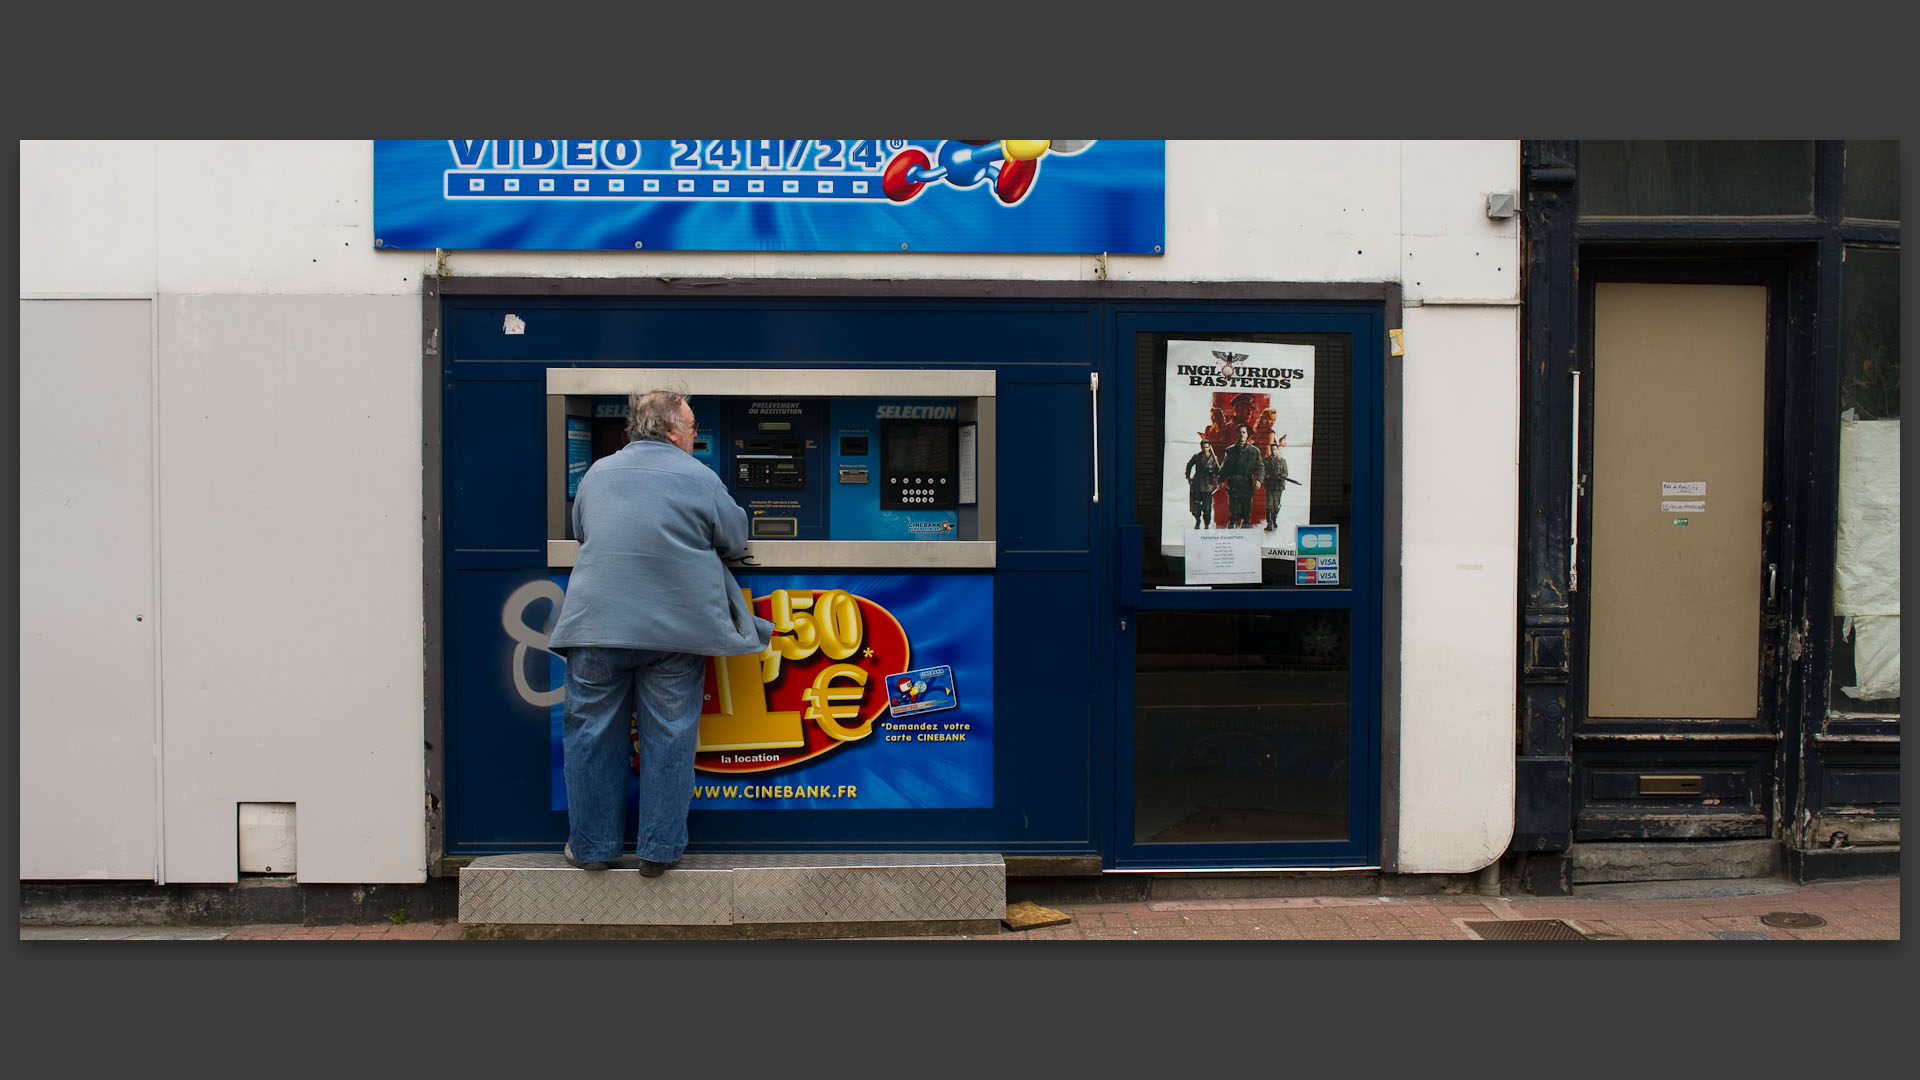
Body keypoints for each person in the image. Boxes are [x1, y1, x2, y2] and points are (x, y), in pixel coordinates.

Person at [546, 390, 773, 877]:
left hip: (595, 627)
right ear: (673, 431)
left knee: (589, 737)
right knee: (669, 739)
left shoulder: (597, 472)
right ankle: (659, 850)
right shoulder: (699, 477)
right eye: (692, 427)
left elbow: (583, 528)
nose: (695, 435)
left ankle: (592, 848)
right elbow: (735, 538)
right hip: (672, 633)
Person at [1219, 424, 1263, 528]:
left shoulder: (1254, 451)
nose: (1242, 434)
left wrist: (1259, 480)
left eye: (1244, 432)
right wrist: (1221, 480)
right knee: (1233, 510)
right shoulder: (1230, 451)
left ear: (1247, 434)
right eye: (1240, 432)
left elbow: (1261, 467)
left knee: (1246, 510)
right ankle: (1233, 525)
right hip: (1233, 484)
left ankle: (1246, 525)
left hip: (1247, 484)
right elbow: (1224, 468)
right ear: (1236, 434)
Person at [1183, 441, 1222, 527]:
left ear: (1209, 447)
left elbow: (1217, 473)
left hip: (1208, 485)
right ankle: (1197, 520)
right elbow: (1189, 465)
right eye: (1203, 447)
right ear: (1201, 447)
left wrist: (1220, 480)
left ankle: (1207, 524)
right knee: (1196, 507)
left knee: (1207, 508)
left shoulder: (1214, 458)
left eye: (1207, 447)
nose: (1205, 449)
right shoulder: (1196, 457)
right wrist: (1188, 476)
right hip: (1197, 484)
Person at [1261, 435, 1290, 531]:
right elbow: (1262, 472)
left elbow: (1285, 473)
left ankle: (1274, 520)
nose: (1273, 451)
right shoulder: (1266, 461)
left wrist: (1281, 477)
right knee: (1269, 505)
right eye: (1272, 449)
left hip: (1278, 486)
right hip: (1269, 486)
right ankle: (1269, 523)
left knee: (1276, 505)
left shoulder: (1282, 461)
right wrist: (1266, 476)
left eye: (1275, 449)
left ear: (1277, 450)